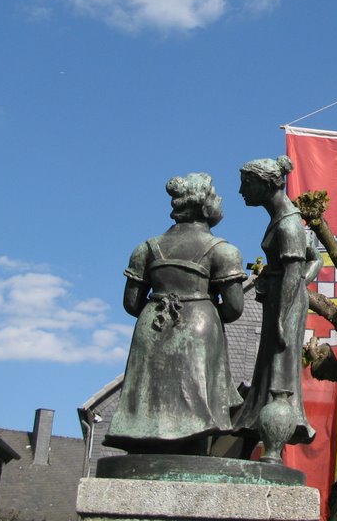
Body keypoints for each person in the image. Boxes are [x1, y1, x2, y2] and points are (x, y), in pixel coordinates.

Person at [104, 173, 246, 454]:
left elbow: (131, 303)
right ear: (204, 206)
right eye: (215, 195)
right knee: (197, 396)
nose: (220, 201)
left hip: (152, 324)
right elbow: (233, 308)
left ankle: (145, 443)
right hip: (199, 324)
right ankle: (195, 449)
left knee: (150, 395)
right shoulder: (224, 252)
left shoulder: (145, 248)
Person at [233, 155, 321, 448]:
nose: (241, 191)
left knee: (279, 373)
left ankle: (275, 437)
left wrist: (286, 310)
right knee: (270, 368)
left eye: (247, 184)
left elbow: (297, 269)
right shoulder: (281, 219)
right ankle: (259, 421)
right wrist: (281, 283)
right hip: (283, 299)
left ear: (266, 184)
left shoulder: (288, 225)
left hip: (285, 305)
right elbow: (315, 260)